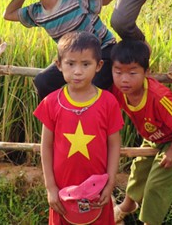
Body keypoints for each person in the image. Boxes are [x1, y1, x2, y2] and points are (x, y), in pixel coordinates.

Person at [110, 40, 172, 225]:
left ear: (147, 72)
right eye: (118, 72)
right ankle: (127, 206)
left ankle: (150, 222)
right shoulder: (118, 91)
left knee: (156, 184)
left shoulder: (158, 96)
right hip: (155, 137)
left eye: (132, 72)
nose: (124, 79)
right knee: (139, 169)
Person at [34, 32, 123, 224]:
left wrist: (110, 183)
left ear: (99, 66)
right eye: (70, 63)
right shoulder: (51, 102)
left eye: (86, 64)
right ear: (58, 65)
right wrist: (51, 188)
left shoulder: (108, 102)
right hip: (62, 190)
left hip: (97, 190)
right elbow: (46, 146)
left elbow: (115, 145)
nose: (77, 71)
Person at [4, 0, 117, 100]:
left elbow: (103, 0)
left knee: (89, 89)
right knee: (43, 81)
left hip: (103, 51)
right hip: (73, 59)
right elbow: (8, 14)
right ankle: (54, 119)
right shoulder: (36, 12)